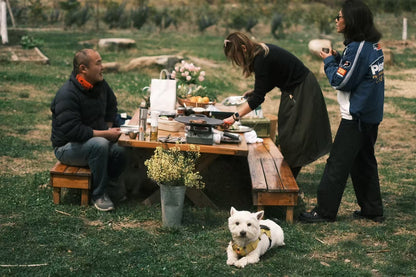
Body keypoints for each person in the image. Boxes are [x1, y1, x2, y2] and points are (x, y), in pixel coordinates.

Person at [299, 0, 385, 223]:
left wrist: (329, 62)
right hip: (370, 116)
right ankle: (372, 209)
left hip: (356, 118)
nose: (336, 20)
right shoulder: (371, 45)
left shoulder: (357, 48)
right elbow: (358, 72)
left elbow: (341, 81)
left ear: (351, 21)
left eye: (339, 17)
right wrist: (339, 58)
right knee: (363, 162)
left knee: (337, 164)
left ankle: (324, 212)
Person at [223, 32, 332, 178]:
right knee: (287, 131)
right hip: (291, 89)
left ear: (243, 48)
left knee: (295, 133)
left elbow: (257, 99)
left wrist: (234, 117)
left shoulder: (261, 58)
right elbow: (273, 78)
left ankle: (289, 177)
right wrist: (256, 91)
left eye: (235, 57)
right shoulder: (260, 53)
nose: (236, 61)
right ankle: (287, 173)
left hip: (302, 87)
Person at [51, 49, 127, 211]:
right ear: (83, 69)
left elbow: (111, 106)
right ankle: (99, 194)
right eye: (98, 63)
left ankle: (111, 186)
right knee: (99, 145)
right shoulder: (67, 94)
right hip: (67, 147)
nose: (102, 67)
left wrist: (107, 127)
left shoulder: (101, 85)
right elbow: (73, 131)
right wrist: (106, 134)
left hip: (93, 140)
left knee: (121, 147)